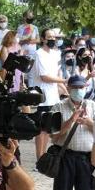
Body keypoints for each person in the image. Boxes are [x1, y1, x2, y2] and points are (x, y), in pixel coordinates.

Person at [51, 74, 95, 190]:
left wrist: (89, 122)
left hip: (86, 159)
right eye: (75, 87)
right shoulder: (58, 107)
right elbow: (54, 135)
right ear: (68, 88)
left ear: (86, 88)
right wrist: (71, 120)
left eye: (81, 87)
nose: (78, 90)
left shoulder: (93, 106)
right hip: (65, 157)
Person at [28, 28, 66, 163]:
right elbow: (44, 77)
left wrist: (64, 88)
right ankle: (40, 158)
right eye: (49, 37)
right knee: (41, 130)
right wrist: (64, 81)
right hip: (42, 95)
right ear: (43, 39)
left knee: (49, 128)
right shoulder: (38, 54)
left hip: (53, 96)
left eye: (54, 37)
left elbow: (56, 74)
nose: (52, 40)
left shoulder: (56, 54)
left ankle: (44, 157)